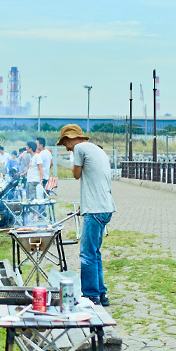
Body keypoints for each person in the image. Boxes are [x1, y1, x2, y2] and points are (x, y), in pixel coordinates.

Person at [58, 124, 116, 308]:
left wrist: (72, 155)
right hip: (105, 207)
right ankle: (101, 293)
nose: (66, 148)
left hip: (95, 209)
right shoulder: (97, 150)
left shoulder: (79, 148)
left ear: (70, 138)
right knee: (95, 253)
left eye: (65, 143)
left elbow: (76, 174)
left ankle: (91, 296)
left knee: (87, 254)